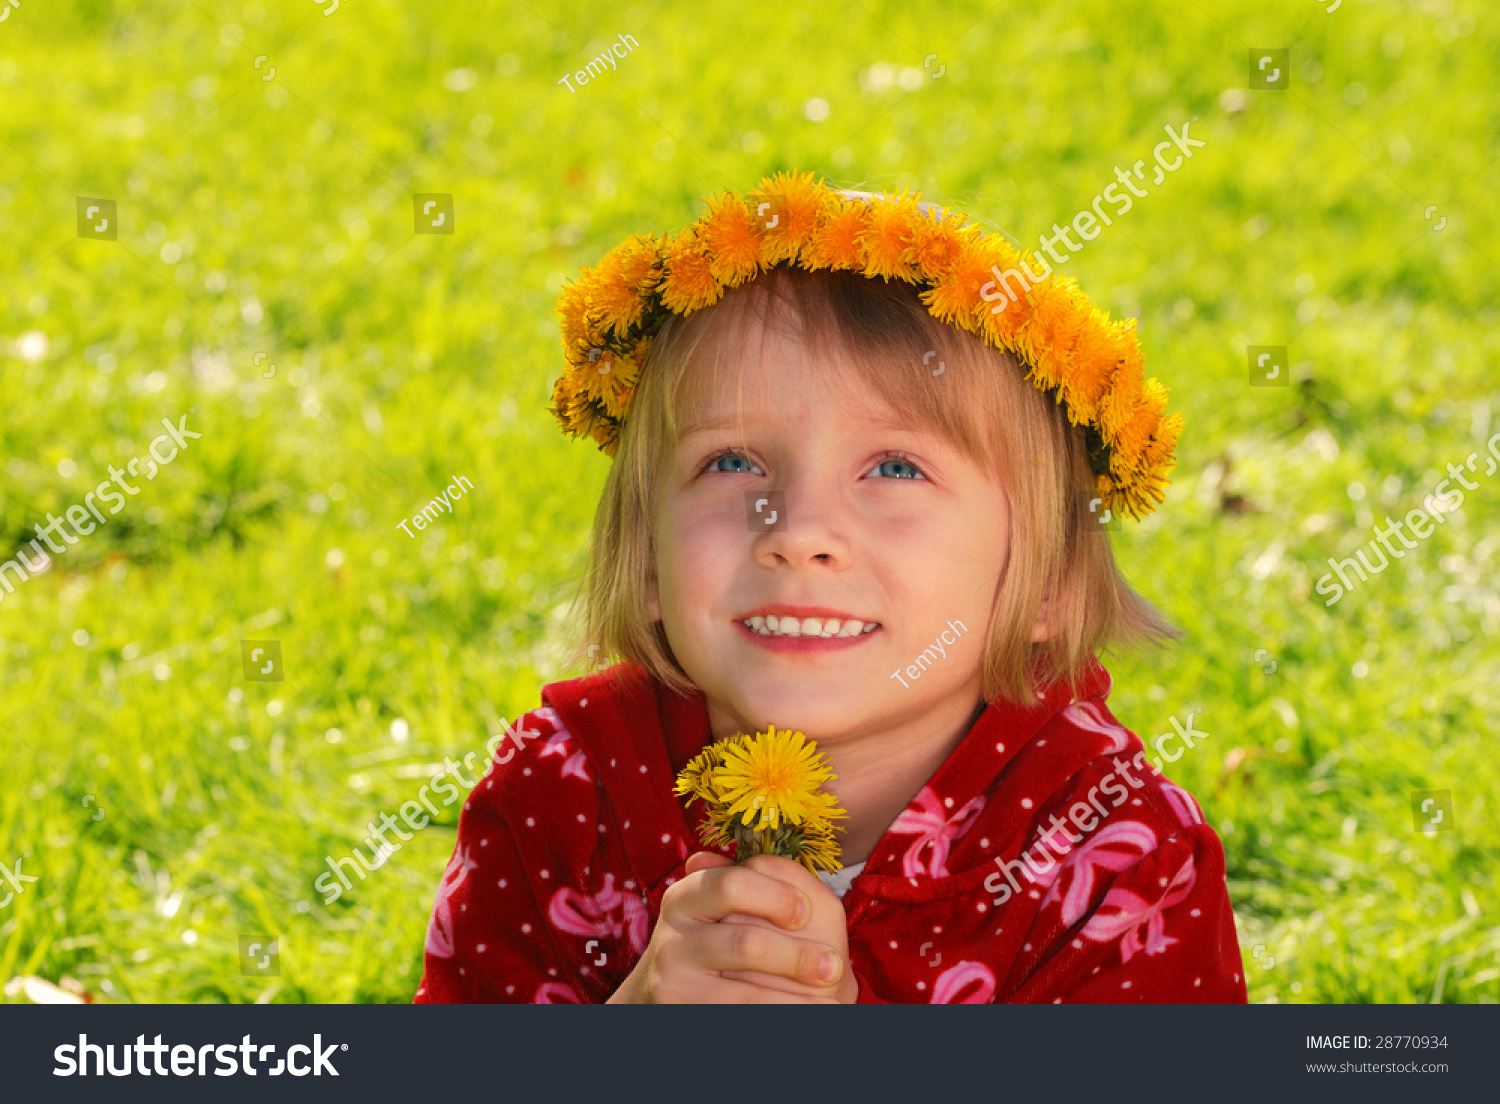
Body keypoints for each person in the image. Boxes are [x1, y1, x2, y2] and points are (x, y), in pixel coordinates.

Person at [413, 172, 1246, 1003]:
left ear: (1050, 582)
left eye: (894, 467)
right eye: (733, 461)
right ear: (645, 555)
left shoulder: (1118, 855)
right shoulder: (559, 795)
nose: (800, 531)